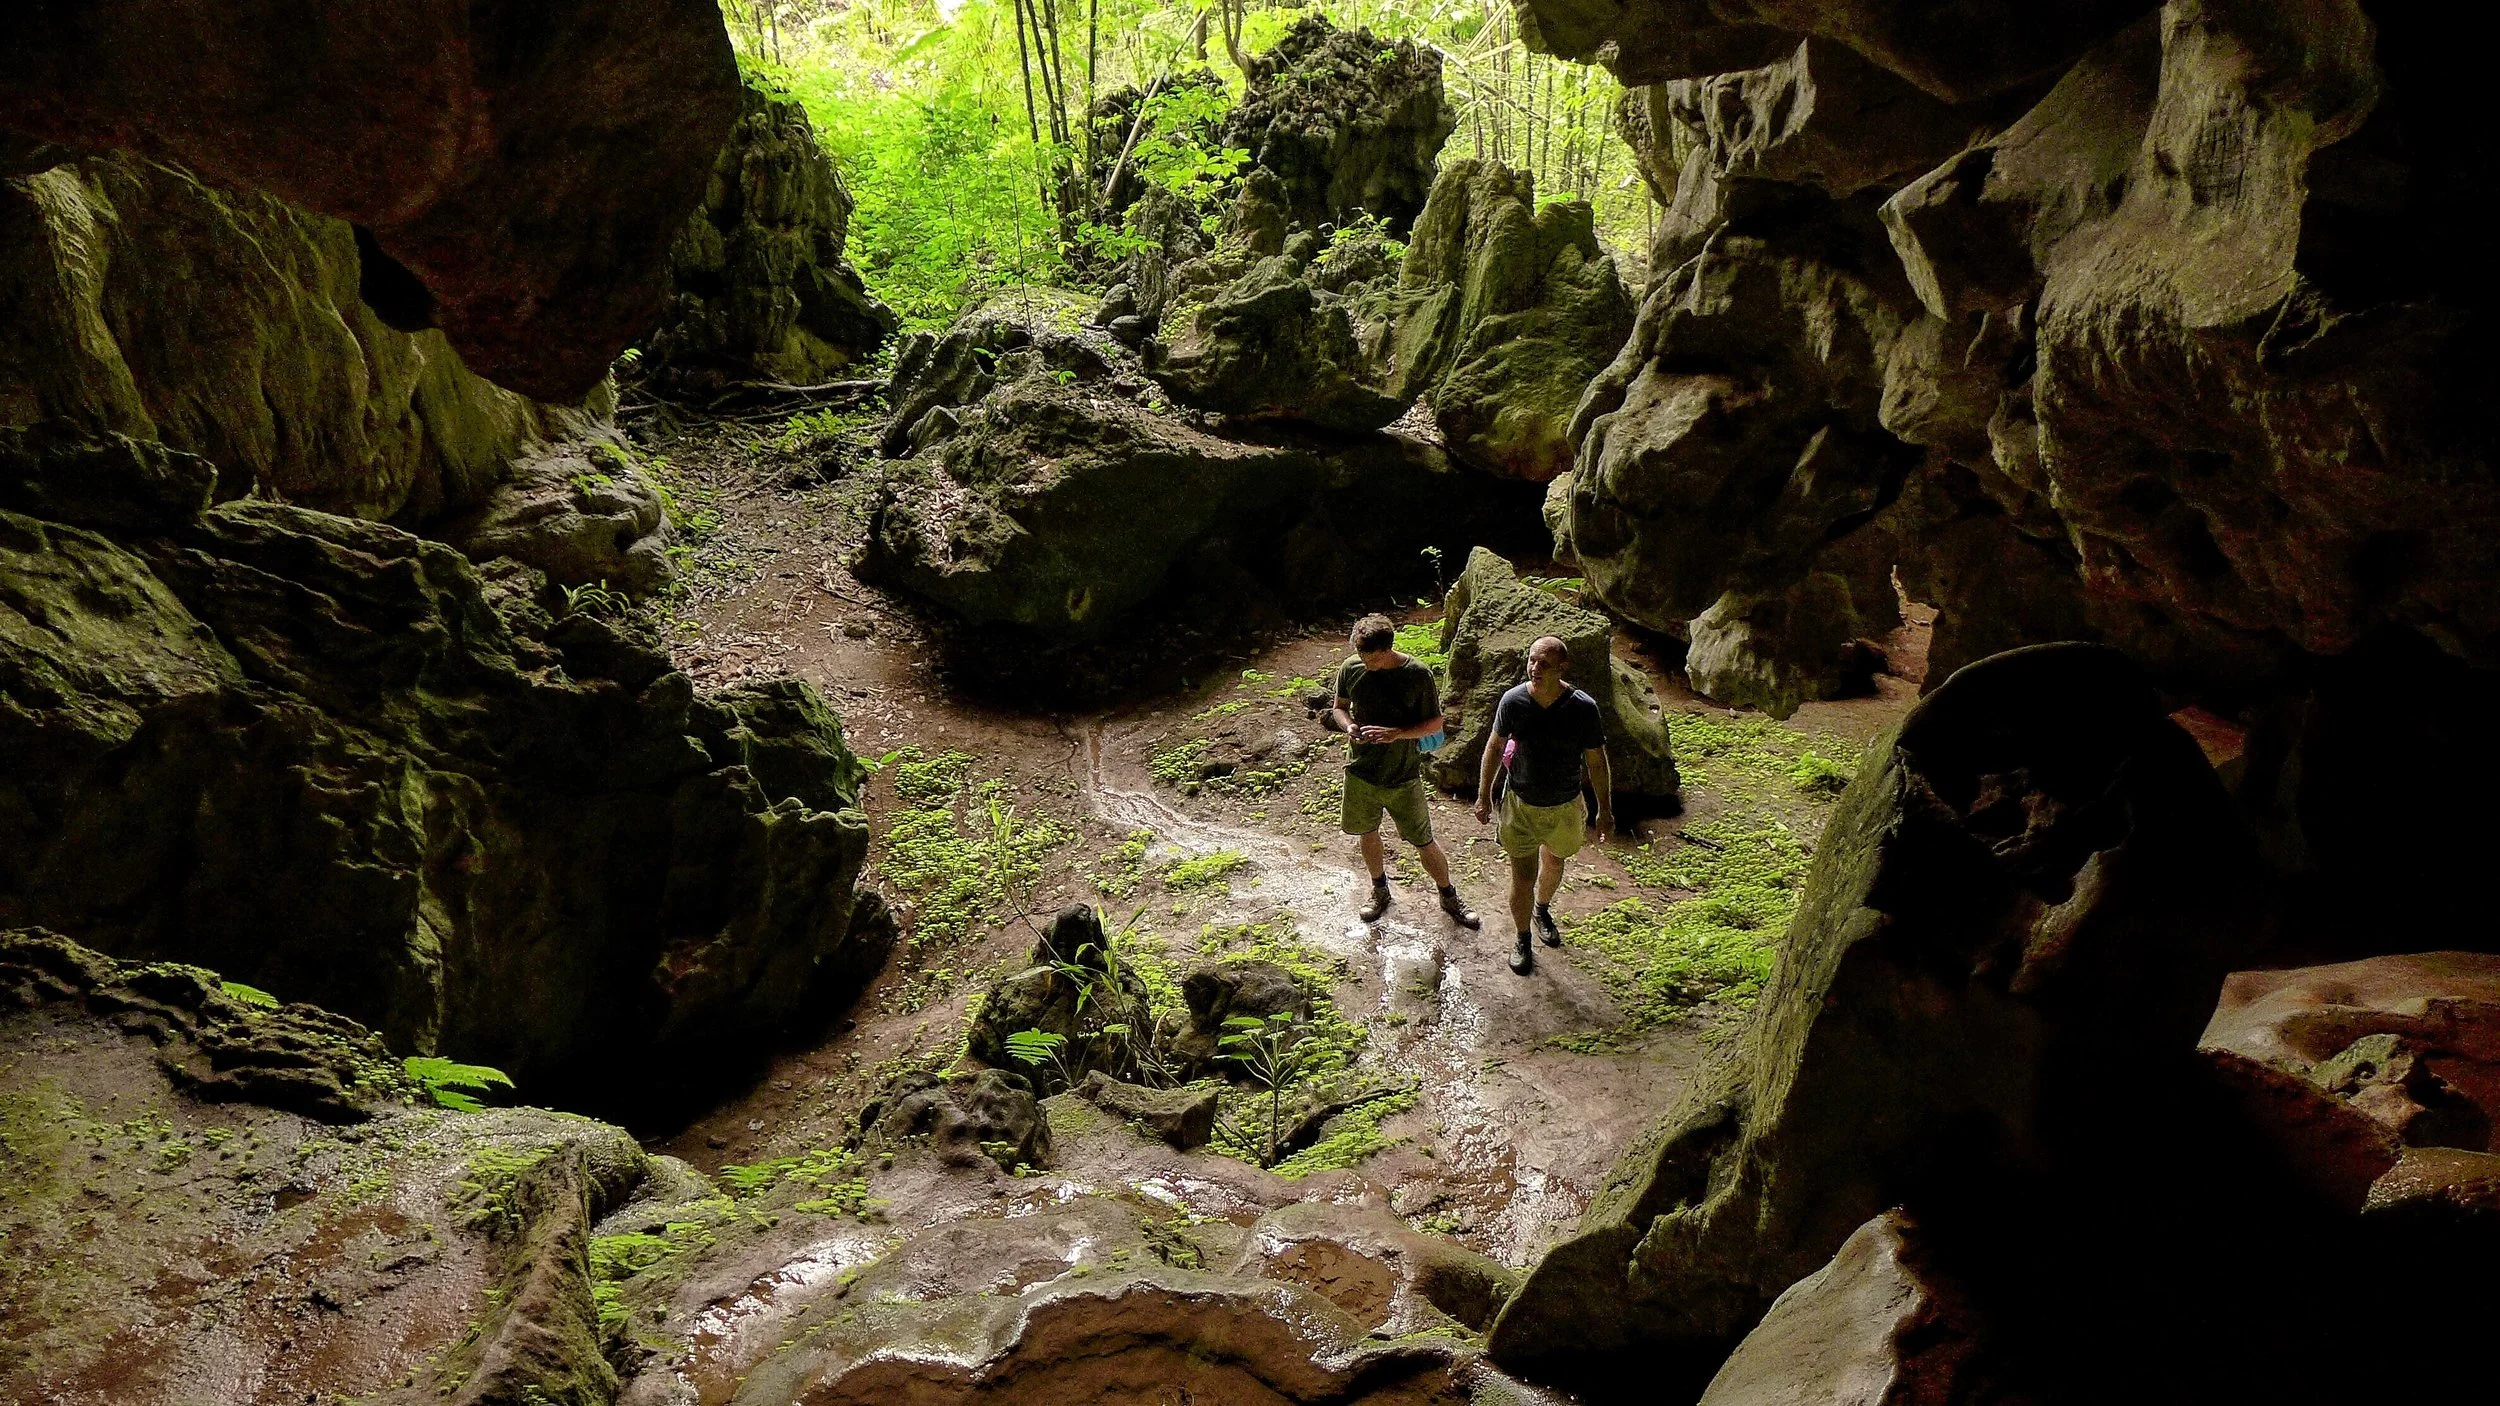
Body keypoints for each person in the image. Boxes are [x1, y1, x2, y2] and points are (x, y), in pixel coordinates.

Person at [1329, 614, 1479, 929]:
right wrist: (1350, 726)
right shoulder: (1351, 668)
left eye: (1371, 657)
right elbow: (1339, 707)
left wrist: (1397, 734)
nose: (1365, 662)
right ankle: (1379, 890)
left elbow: (1435, 724)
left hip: (1403, 774)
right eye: (1360, 654)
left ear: (1387, 649)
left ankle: (1449, 895)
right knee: (1367, 832)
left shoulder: (1417, 674)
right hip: (1360, 771)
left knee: (1423, 840)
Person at [1474, 635, 1612, 974]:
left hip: (1564, 805)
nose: (1535, 668)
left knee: (1554, 861)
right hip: (1520, 803)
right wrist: (1483, 794)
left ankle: (1542, 908)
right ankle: (1522, 937)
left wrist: (1605, 809)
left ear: (1562, 667)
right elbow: (1494, 747)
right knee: (1522, 876)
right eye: (1531, 661)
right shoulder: (1514, 701)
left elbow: (1596, 761)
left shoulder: (1583, 707)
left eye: (1544, 664)